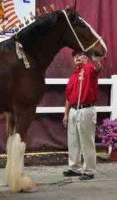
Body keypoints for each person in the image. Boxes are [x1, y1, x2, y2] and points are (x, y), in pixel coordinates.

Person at [62, 50, 103, 180]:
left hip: (86, 109)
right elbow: (68, 97)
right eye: (75, 56)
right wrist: (66, 114)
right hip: (74, 110)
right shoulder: (73, 75)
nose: (77, 57)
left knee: (87, 141)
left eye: (80, 55)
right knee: (73, 141)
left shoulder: (90, 69)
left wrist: (94, 59)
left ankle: (89, 170)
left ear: (86, 57)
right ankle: (75, 167)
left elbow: (98, 67)